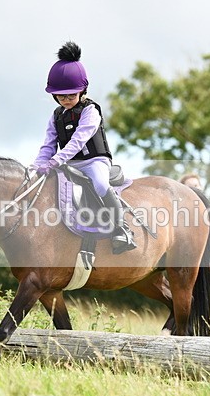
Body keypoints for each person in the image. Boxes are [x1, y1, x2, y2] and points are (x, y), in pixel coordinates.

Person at [32, 41, 136, 254]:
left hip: (94, 161)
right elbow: (48, 144)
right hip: (68, 164)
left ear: (82, 91)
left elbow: (78, 140)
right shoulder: (56, 116)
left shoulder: (91, 111)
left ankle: (121, 229)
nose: (66, 99)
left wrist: (56, 160)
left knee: (99, 183)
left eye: (71, 94)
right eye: (61, 96)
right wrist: (38, 165)